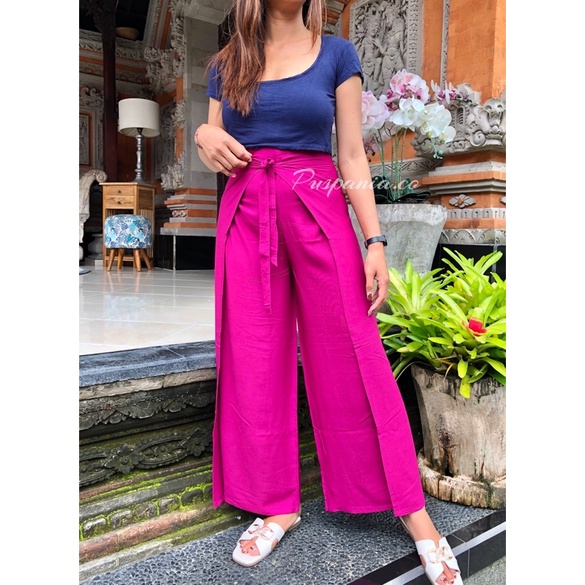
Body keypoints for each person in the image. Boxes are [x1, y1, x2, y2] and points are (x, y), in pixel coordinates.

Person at [195, 1, 463, 583]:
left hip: (318, 207)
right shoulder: (226, 63)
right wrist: (203, 133)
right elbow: (215, 142)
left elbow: (351, 155)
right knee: (253, 355)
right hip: (246, 212)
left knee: (352, 348)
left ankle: (413, 512)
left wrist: (375, 241)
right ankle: (276, 505)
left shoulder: (337, 54)